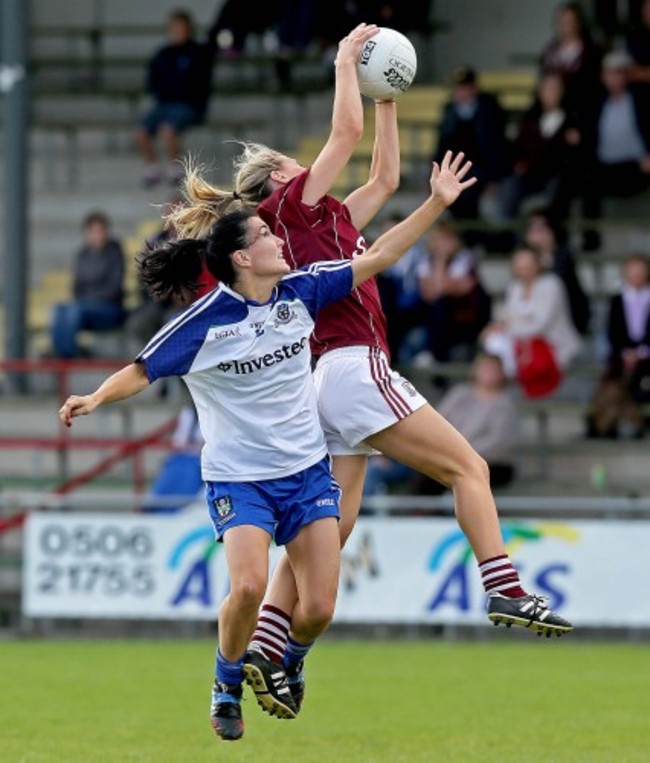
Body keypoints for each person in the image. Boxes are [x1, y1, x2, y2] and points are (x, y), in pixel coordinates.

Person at [166, 22, 573, 715]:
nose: (309, 169)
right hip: (353, 367)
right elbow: (345, 138)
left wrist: (388, 94)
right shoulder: (285, 210)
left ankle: (270, 642)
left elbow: (383, 178)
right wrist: (345, 67)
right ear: (275, 186)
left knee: (335, 525)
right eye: (296, 167)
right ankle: (503, 581)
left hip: (322, 387)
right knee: (467, 466)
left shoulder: (324, 221)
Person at [58, 149, 477, 741]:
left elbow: (380, 255)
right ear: (242, 257)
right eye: (263, 234)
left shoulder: (301, 292)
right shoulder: (206, 321)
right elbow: (141, 369)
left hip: (307, 474)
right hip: (240, 477)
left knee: (319, 609)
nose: (277, 238)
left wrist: (436, 202)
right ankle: (226, 681)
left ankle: (290, 662)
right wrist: (93, 399)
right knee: (250, 587)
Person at [481, 246, 583, 394]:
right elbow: (508, 314)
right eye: (520, 267)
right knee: (493, 339)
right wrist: (498, 325)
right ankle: (505, 380)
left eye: (528, 266)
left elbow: (541, 323)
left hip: (550, 341)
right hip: (523, 339)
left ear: (537, 264)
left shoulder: (551, 284)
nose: (524, 270)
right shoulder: (515, 286)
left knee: (502, 338)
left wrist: (509, 329)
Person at [135, 10, 215, 188]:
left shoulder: (199, 53)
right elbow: (153, 81)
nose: (177, 32)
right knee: (141, 130)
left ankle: (175, 169)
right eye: (174, 29)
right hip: (164, 104)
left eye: (181, 28)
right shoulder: (163, 54)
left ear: (189, 30)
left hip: (189, 105)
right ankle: (152, 168)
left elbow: (200, 85)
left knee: (167, 130)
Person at [432, 65, 510, 224]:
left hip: (482, 169)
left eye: (465, 88)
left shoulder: (490, 109)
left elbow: (496, 147)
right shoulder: (449, 110)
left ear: (474, 88)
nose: (461, 92)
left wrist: (494, 179)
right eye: (458, 88)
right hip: (456, 168)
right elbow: (442, 145)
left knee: (473, 201)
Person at [586, 254, 650, 438]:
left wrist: (642, 352)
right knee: (615, 385)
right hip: (622, 357)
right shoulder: (617, 300)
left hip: (646, 358)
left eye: (640, 270)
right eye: (632, 270)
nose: (636, 274)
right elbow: (613, 331)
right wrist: (626, 353)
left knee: (620, 388)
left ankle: (601, 425)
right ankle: (632, 424)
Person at [50, 211, 126, 359]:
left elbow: (114, 288)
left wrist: (90, 297)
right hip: (85, 306)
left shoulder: (115, 253)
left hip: (109, 309)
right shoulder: (82, 255)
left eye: (101, 231)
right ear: (87, 233)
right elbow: (76, 287)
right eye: (94, 232)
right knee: (59, 309)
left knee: (75, 310)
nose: (98, 235)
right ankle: (59, 353)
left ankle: (68, 356)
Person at [416, 219, 492, 365]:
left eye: (446, 238)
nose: (442, 243)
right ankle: (433, 356)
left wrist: (442, 260)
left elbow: (445, 289)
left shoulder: (465, 258)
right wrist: (440, 260)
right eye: (438, 239)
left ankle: (433, 354)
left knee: (442, 303)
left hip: (465, 317)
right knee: (437, 306)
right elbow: (428, 294)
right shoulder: (426, 260)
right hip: (438, 317)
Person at [522, 207, 591, 336]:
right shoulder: (523, 258)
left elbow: (556, 284)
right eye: (532, 228)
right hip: (533, 321)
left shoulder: (563, 257)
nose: (537, 233)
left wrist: (545, 250)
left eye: (541, 228)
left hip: (563, 321)